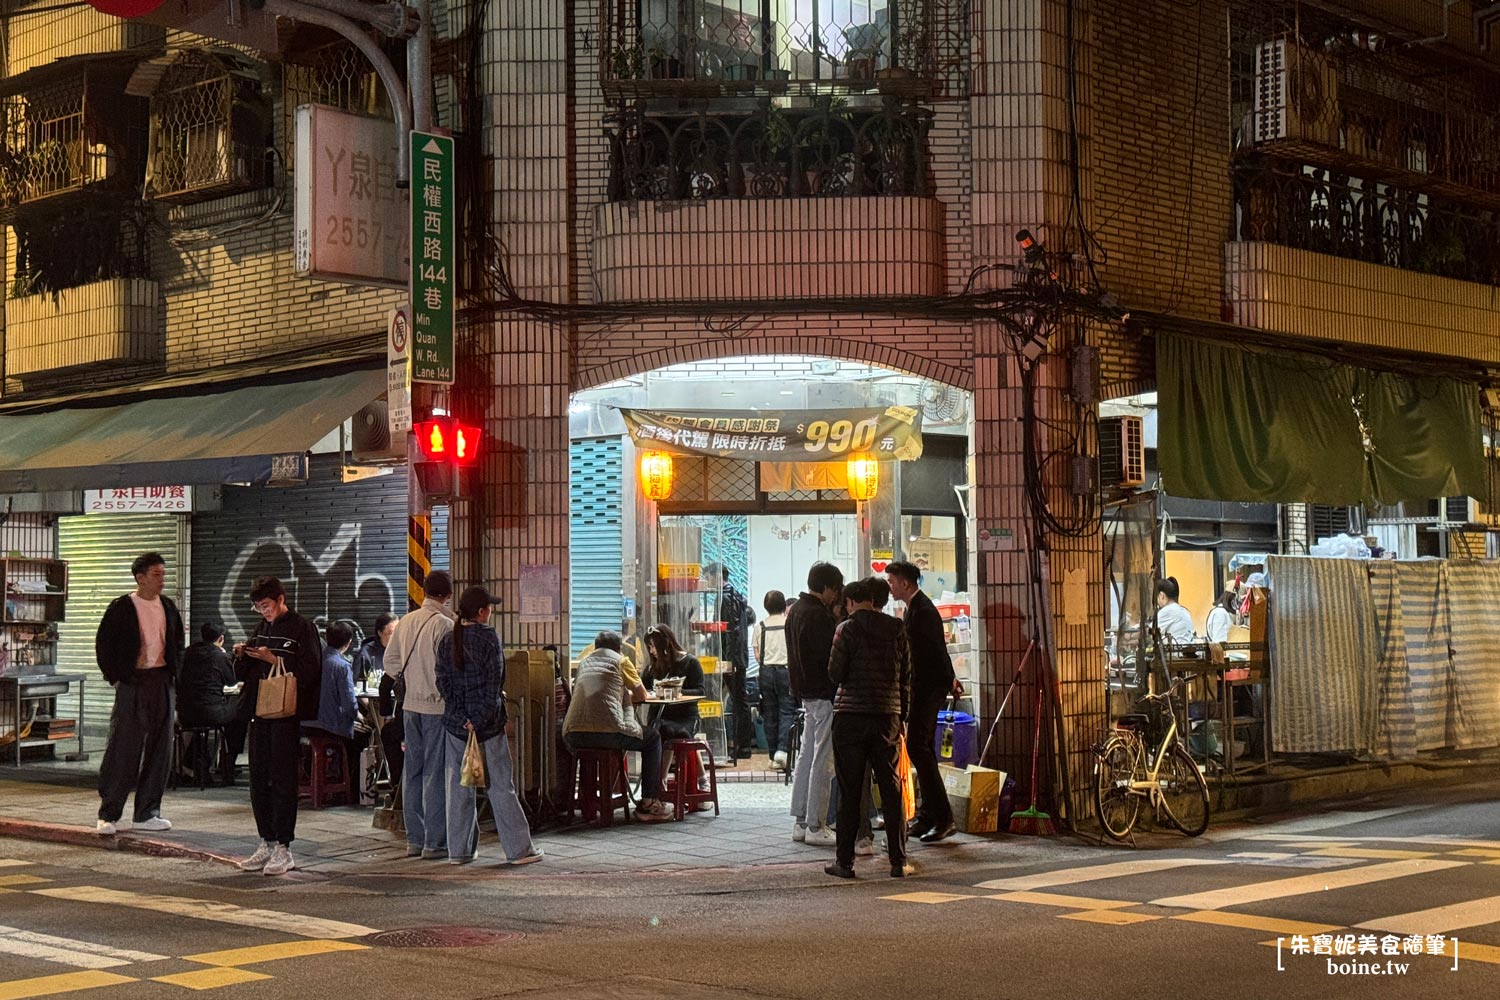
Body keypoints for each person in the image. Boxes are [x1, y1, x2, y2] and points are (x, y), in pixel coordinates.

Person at [436, 586, 542, 865]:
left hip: (456, 727)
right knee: (499, 786)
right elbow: (494, 683)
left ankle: (459, 851)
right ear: (482, 612)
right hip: (489, 726)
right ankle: (519, 849)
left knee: (460, 786)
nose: (491, 611)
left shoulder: (448, 639)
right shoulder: (488, 638)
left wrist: (463, 718)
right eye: (489, 607)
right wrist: (479, 719)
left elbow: (443, 683)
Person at [234, 576, 323, 877]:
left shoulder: (302, 628)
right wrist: (242, 655)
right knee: (258, 779)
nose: (264, 612)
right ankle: (266, 841)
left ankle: (284, 846)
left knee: (282, 779)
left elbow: (311, 670)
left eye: (268, 606)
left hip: (285, 714)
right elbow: (242, 672)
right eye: (259, 608)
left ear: (281, 600)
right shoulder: (261, 628)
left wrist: (275, 660)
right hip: (258, 712)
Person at [824, 578, 912, 879]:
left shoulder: (845, 629)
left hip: (850, 715)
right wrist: (903, 717)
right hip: (887, 714)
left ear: (849, 602)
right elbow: (905, 677)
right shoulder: (896, 628)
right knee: (891, 787)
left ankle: (845, 862)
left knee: (850, 790)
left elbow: (835, 673)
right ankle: (898, 861)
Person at [94, 552, 185, 836]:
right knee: (124, 745)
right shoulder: (122, 607)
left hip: (161, 681)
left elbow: (178, 643)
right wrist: (117, 677)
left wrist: (175, 676)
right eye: (156, 574)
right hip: (132, 681)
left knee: (161, 748)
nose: (162, 580)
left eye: (163, 574)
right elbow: (104, 645)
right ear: (140, 577)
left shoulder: (168, 606)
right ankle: (109, 812)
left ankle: (147, 812)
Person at [563, 630, 674, 822]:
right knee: (653, 738)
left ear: (595, 647)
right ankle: (649, 802)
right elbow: (641, 696)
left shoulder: (584, 663)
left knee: (594, 748)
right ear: (619, 648)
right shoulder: (621, 661)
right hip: (607, 733)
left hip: (573, 733)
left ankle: (588, 806)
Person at [885, 559, 961, 844]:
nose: (889, 587)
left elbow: (935, 651)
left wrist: (949, 680)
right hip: (924, 687)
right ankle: (928, 814)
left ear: (905, 583)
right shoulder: (914, 608)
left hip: (928, 688)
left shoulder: (924, 610)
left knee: (919, 747)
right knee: (921, 747)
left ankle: (944, 818)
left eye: (892, 582)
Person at [384, 570, 456, 860]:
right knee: (434, 772)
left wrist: (409, 678)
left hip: (409, 707)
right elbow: (450, 669)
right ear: (448, 594)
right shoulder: (446, 625)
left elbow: (390, 663)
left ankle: (414, 840)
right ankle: (434, 842)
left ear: (425, 591)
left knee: (411, 772)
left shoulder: (406, 621)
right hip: (436, 708)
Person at [786, 560, 844, 847]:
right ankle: (815, 824)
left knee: (806, 756)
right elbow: (828, 661)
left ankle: (799, 820)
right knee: (823, 760)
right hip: (823, 694)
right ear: (826, 588)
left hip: (805, 694)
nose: (836, 596)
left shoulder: (795, 611)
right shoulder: (819, 616)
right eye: (835, 589)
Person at [176, 621, 246, 784]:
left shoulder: (186, 653)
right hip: (211, 713)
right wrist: (236, 657)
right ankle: (227, 766)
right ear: (221, 639)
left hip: (185, 714)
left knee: (201, 726)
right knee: (239, 716)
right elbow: (231, 681)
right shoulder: (218, 655)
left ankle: (193, 765)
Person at [703, 561, 756, 759]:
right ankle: (742, 746)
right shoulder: (735, 595)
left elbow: (729, 631)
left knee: (738, 701)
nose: (707, 582)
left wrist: (728, 661)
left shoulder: (725, 597)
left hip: (731, 659)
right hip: (737, 657)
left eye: (708, 578)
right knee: (739, 701)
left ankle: (741, 747)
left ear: (717, 577)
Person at [304, 621, 360, 770]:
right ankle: (349, 788)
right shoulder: (342, 666)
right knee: (363, 737)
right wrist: (359, 716)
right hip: (329, 727)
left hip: (305, 725)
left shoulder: (312, 661)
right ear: (348, 643)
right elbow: (349, 705)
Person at [752, 590, 793, 770]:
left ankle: (771, 754)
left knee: (769, 712)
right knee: (787, 710)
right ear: (784, 606)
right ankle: (783, 752)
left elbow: (757, 654)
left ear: (766, 607)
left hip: (766, 672)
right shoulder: (789, 624)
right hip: (786, 671)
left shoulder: (760, 626)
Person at [643, 624, 705, 741]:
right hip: (658, 717)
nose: (651, 651)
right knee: (655, 730)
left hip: (685, 718)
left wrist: (677, 692)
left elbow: (700, 691)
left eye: (653, 646)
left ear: (665, 644)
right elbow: (642, 688)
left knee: (659, 732)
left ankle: (662, 759)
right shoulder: (652, 668)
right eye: (649, 647)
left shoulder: (691, 663)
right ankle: (660, 759)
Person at [353, 613, 398, 685]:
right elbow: (356, 683)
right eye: (391, 633)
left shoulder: (403, 652)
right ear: (380, 633)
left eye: (398, 632)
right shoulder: (365, 653)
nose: (396, 637)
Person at [1156, 577, 1196, 648]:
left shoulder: (1167, 611)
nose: (1157, 602)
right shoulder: (1184, 610)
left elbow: (1149, 630)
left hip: (1176, 654)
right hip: (1187, 651)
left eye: (1157, 598)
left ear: (1162, 596)